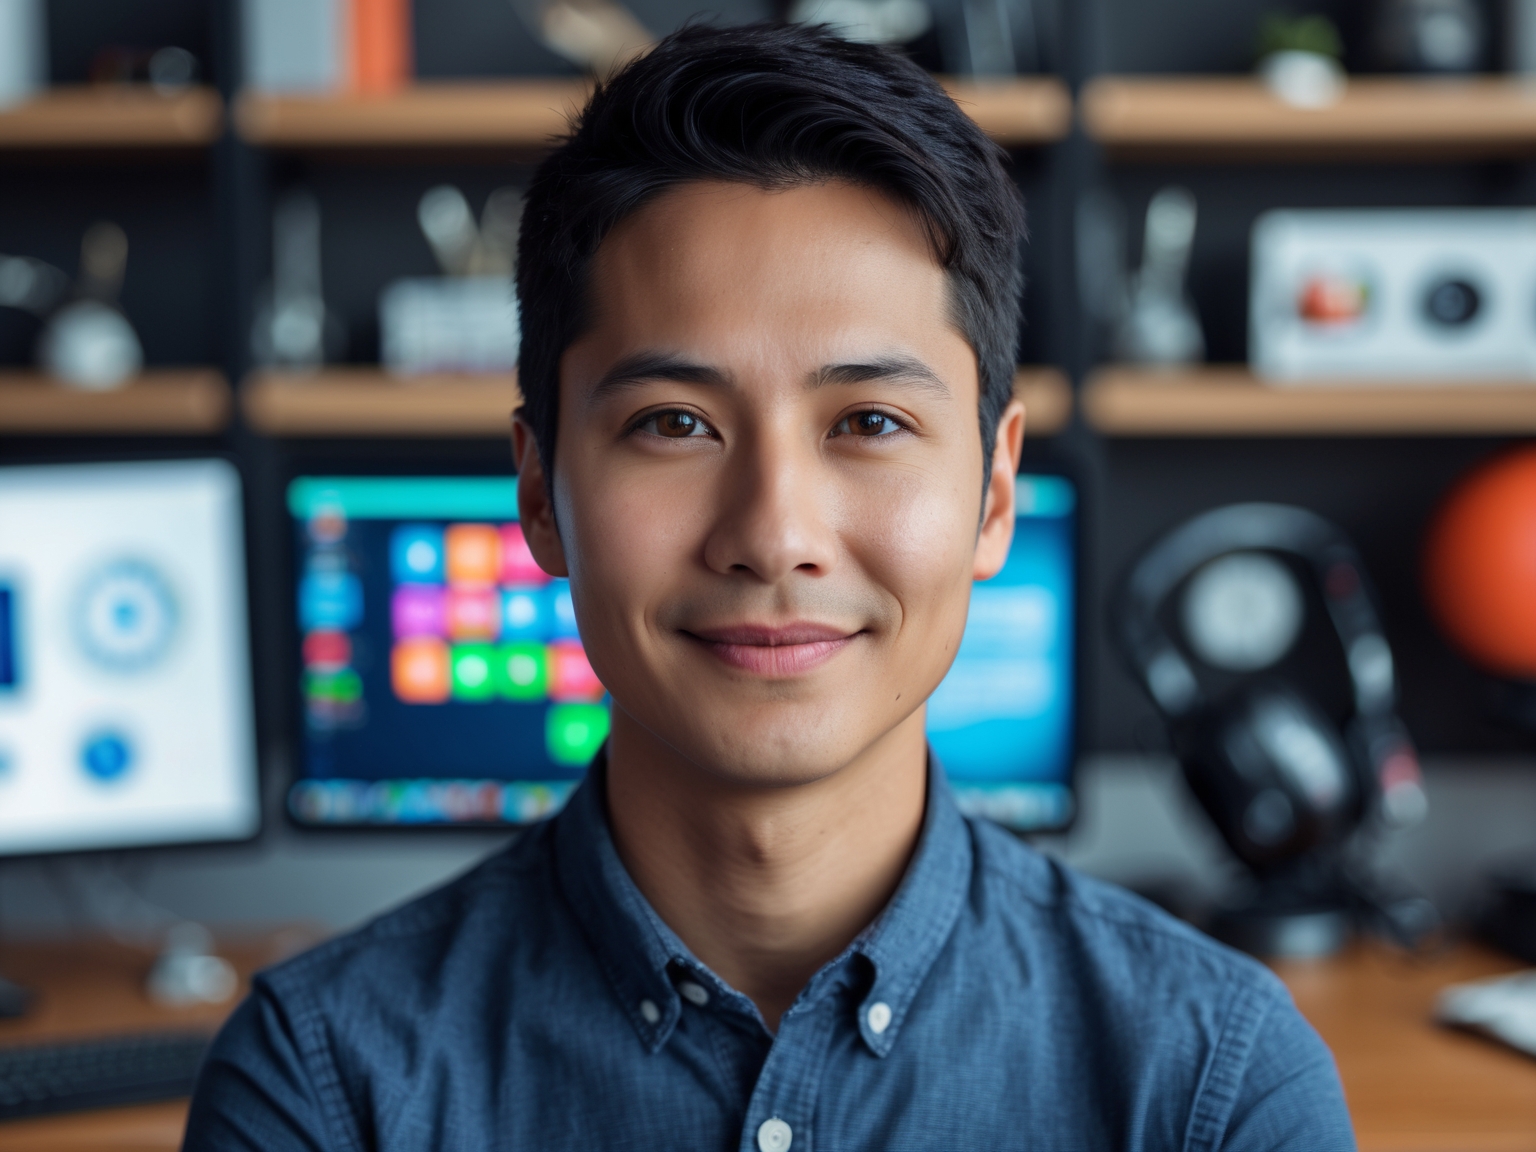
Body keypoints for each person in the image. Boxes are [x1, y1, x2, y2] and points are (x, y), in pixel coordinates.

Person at [185, 22, 1354, 1151]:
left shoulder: (1215, 1084)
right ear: (540, 494)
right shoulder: (322, 1088)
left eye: (871, 421)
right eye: (675, 423)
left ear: (994, 495)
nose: (774, 535)